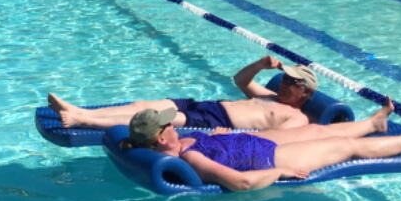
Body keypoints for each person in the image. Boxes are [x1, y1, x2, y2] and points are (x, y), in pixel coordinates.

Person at [122, 102, 401, 191]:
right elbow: (241, 182)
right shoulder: (190, 156)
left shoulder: (181, 144)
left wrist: (216, 136)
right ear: (162, 139)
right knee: (346, 146)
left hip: (252, 143)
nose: (174, 123)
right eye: (167, 125)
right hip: (268, 157)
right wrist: (280, 171)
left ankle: (373, 124)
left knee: (315, 128)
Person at [48, 57, 323, 131]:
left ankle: (82, 120)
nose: (285, 84)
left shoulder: (297, 119)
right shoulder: (269, 96)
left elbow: (276, 140)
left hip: (214, 123)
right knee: (140, 103)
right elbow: (240, 80)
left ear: (306, 93)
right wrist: (260, 66)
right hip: (205, 106)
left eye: (292, 82)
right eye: (286, 78)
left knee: (152, 117)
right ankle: (83, 111)